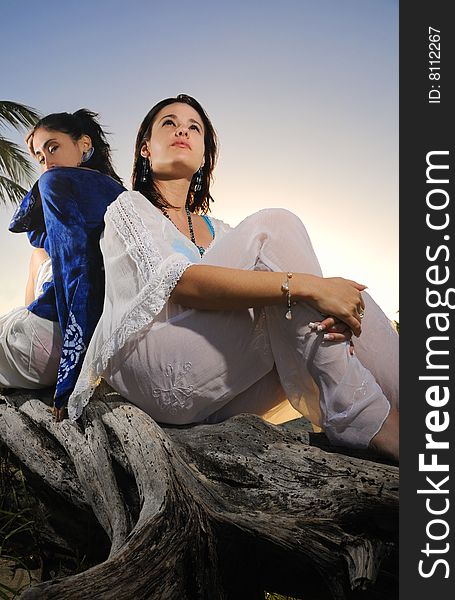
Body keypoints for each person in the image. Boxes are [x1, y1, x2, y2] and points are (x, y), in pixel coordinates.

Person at [68, 94, 399, 461]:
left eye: (195, 128)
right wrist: (310, 287)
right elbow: (184, 285)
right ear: (145, 148)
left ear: (203, 155)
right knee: (277, 226)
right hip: (156, 362)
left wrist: (326, 303)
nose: (183, 129)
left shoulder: (222, 232)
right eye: (169, 123)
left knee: (356, 302)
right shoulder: (129, 209)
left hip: (219, 390)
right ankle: (362, 416)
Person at [1, 109, 126, 419]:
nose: (47, 162)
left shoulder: (56, 181)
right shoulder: (119, 193)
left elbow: (78, 271)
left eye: (53, 147)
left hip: (49, 343)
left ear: (84, 144)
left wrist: (69, 382)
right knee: (38, 259)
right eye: (41, 158)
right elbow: (56, 250)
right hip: (95, 336)